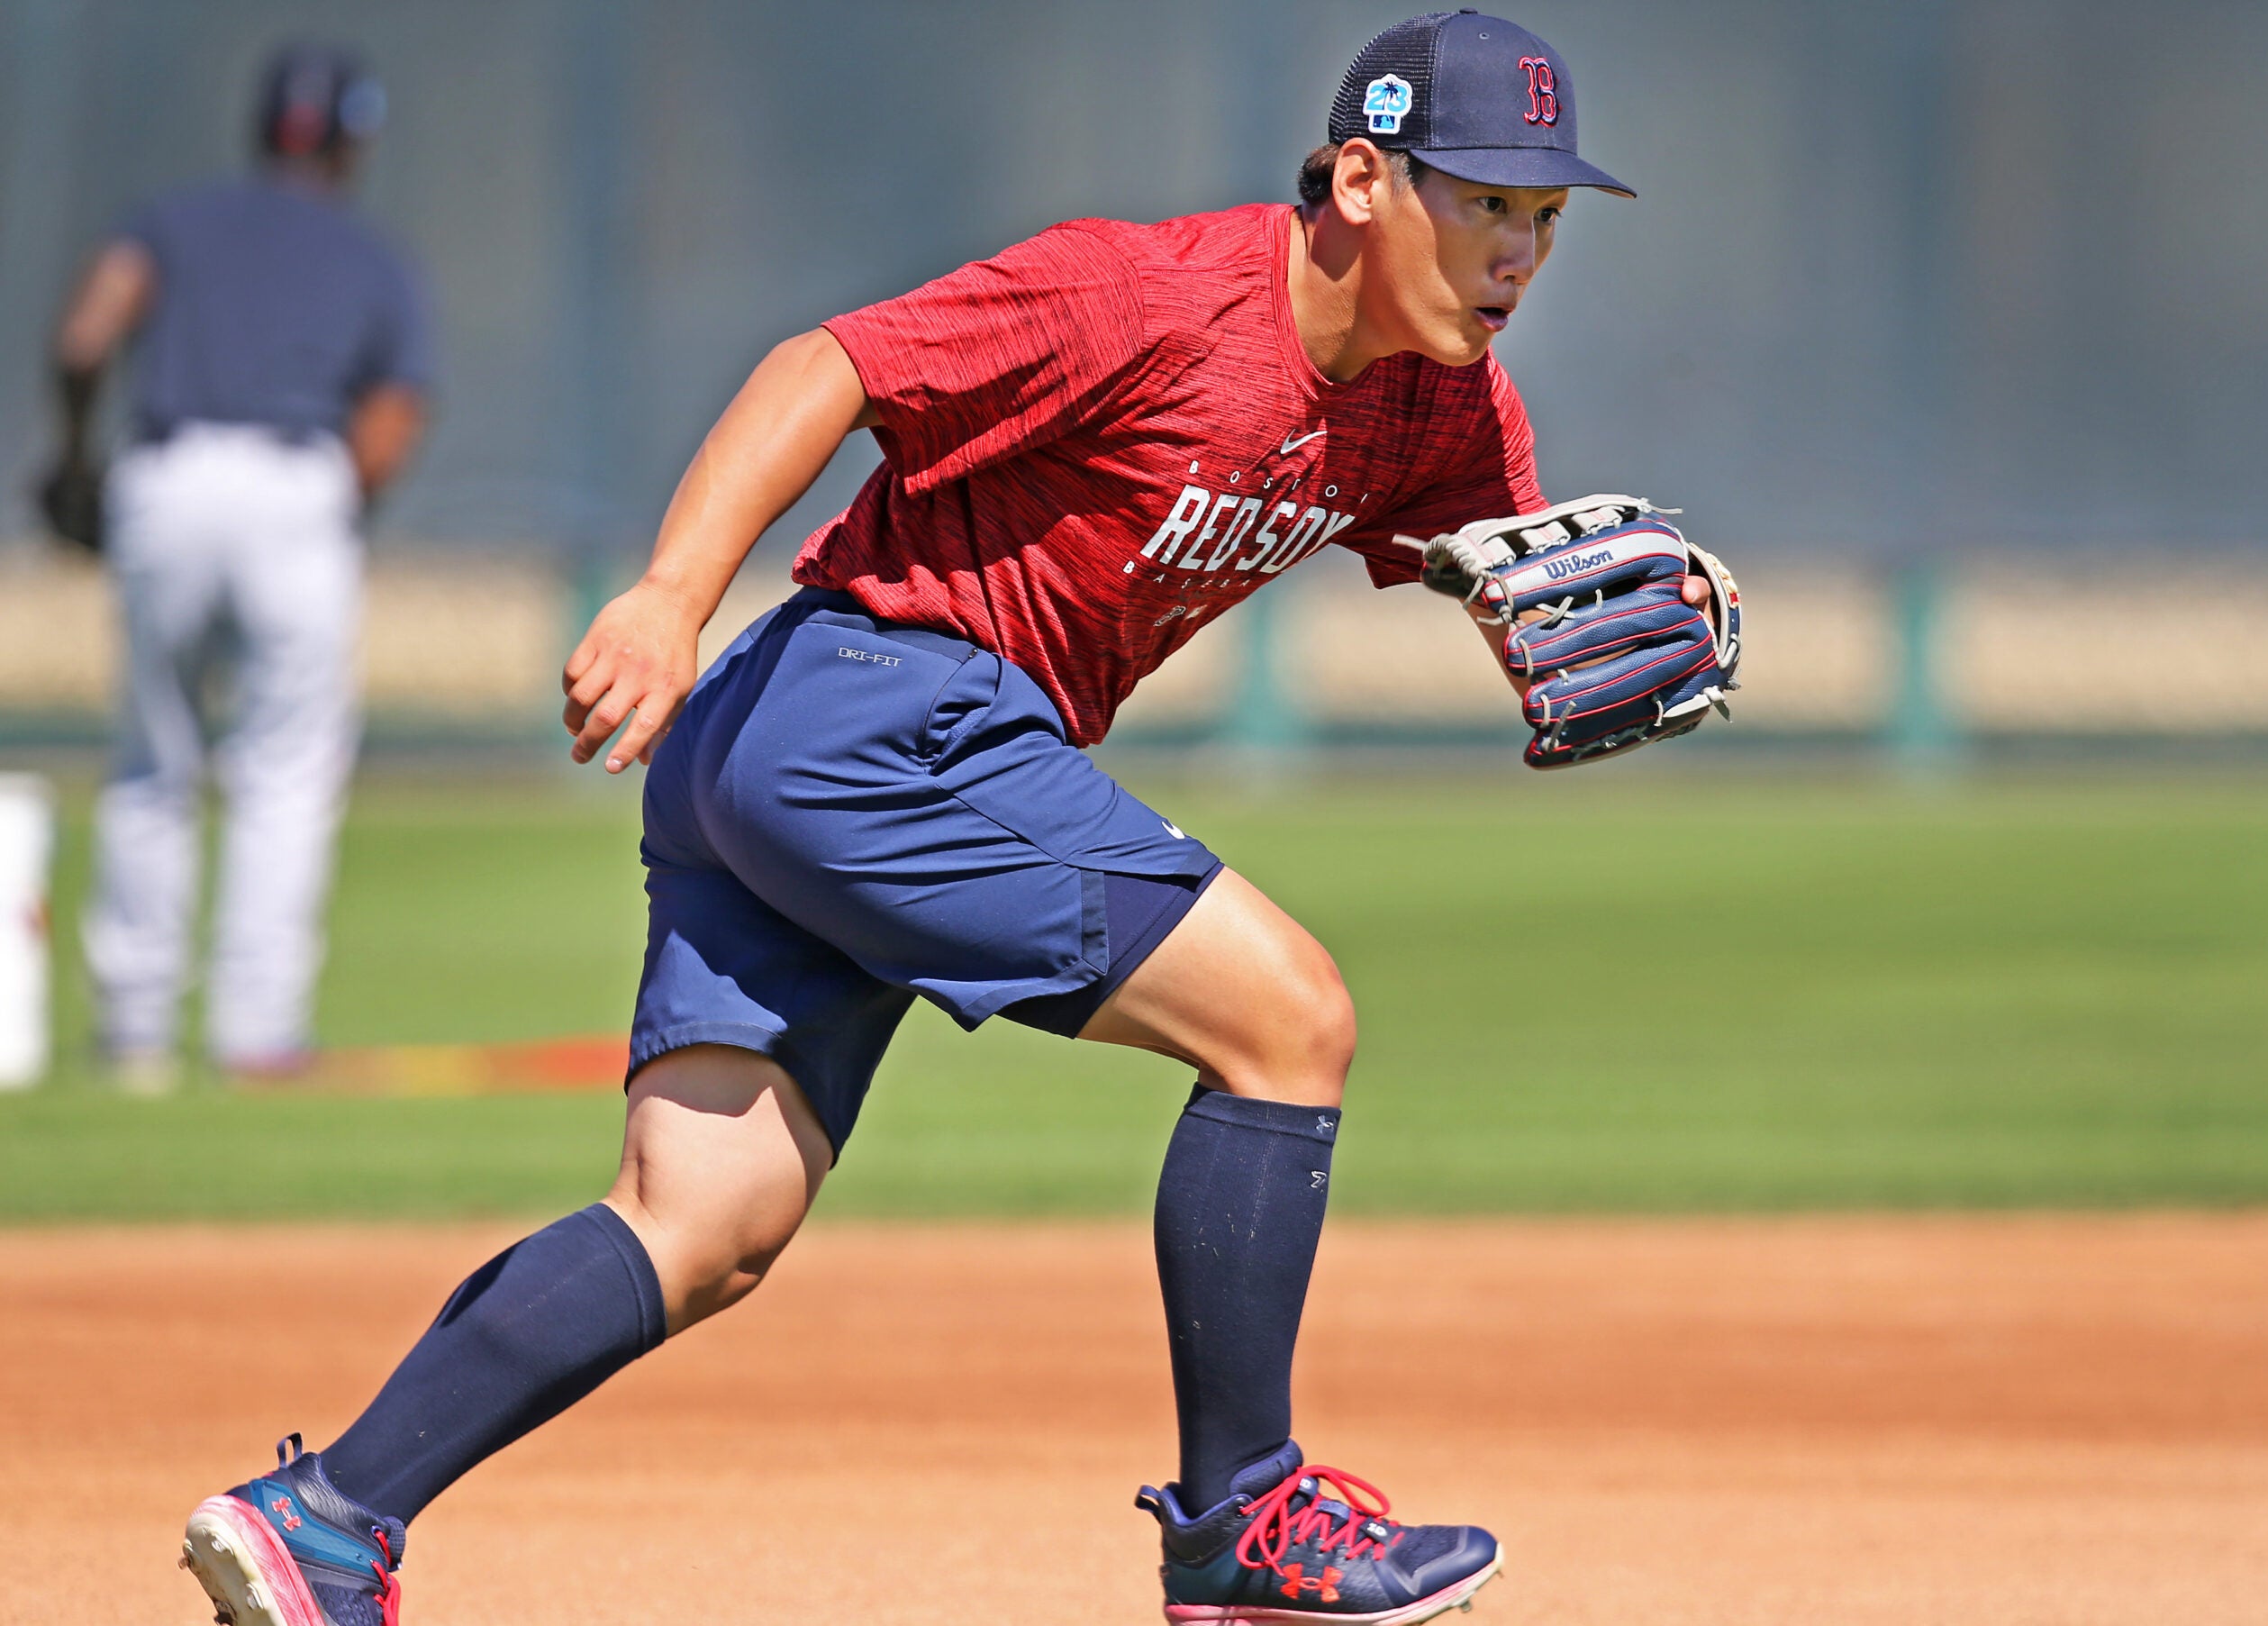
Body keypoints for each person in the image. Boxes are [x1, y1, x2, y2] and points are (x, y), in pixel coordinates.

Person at [178, 14, 1704, 1624]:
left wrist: (1591, 647)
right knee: (1289, 1020)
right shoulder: (1152, 292)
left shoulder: (1449, 410)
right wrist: (669, 597)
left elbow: (1529, 596)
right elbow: (825, 366)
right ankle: (1241, 1524)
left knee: (706, 1221)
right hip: (871, 710)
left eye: (1541, 217)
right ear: (1359, 179)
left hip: (800, 759)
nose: (1519, 250)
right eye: (1484, 201)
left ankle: (329, 1516)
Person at [41, 43, 430, 1091]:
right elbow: (389, 425)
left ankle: (132, 1036)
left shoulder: (172, 217)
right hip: (294, 485)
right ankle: (256, 1033)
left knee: (152, 759)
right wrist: (325, 508)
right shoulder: (369, 255)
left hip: (165, 477)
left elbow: (85, 338)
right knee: (285, 770)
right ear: (349, 141)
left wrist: (77, 464)